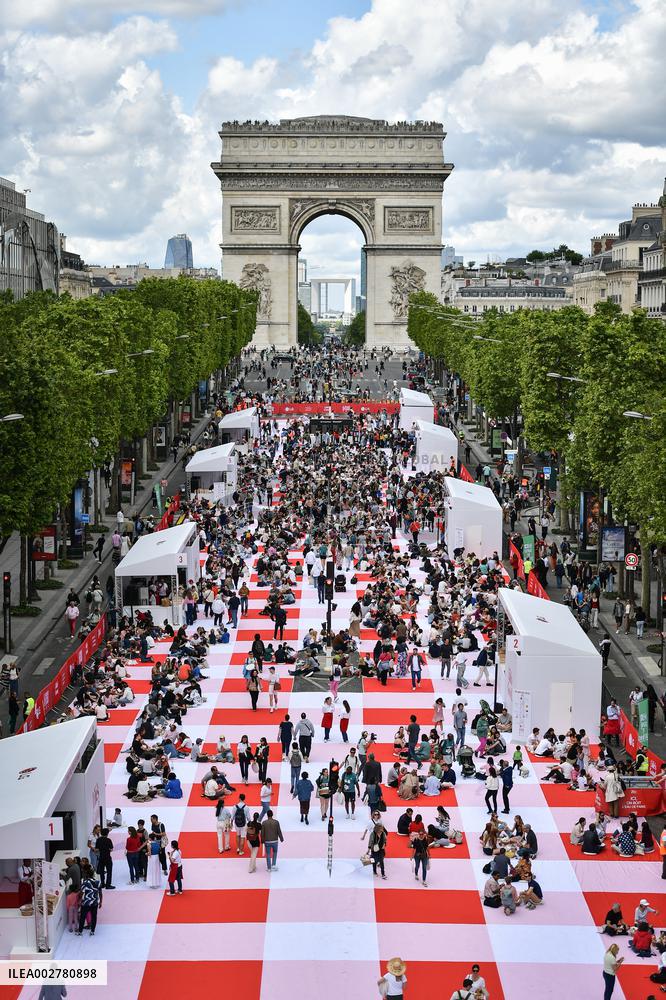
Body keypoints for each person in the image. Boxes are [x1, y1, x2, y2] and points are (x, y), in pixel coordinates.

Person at [76, 865, 102, 935]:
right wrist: (101, 902)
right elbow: (100, 893)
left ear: (86, 874)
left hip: (86, 903)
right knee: (94, 917)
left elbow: (81, 893)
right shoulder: (98, 882)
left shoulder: (85, 883)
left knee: (82, 917)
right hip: (95, 903)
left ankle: (80, 932)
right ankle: (92, 931)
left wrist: (79, 900)